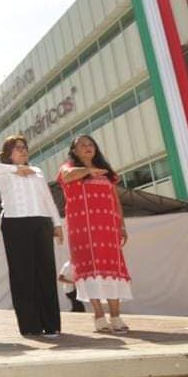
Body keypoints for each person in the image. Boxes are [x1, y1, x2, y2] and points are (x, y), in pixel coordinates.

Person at [0, 134, 64, 338]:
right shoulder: (3, 172)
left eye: (24, 147)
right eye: (17, 147)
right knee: (22, 273)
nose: (22, 150)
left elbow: (47, 198)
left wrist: (57, 223)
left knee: (45, 272)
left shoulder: (37, 171)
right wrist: (16, 169)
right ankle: (30, 325)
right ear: (9, 153)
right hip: (15, 223)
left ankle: (51, 324)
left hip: (41, 221)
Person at [57, 134, 132, 333]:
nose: (88, 147)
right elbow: (67, 176)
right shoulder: (68, 168)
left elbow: (115, 201)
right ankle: (99, 316)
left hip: (108, 229)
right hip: (83, 230)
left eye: (91, 144)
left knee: (112, 268)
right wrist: (90, 171)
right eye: (83, 145)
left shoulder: (107, 174)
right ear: (74, 151)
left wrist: (121, 225)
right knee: (90, 269)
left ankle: (116, 316)